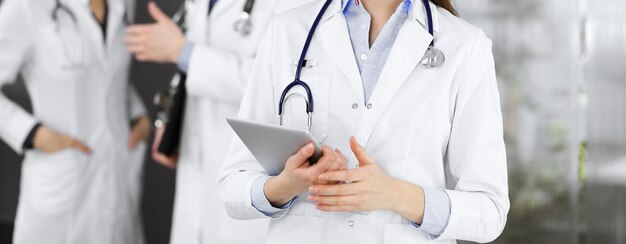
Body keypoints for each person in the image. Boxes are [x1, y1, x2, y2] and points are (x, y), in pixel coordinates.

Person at [219, 0, 510, 243]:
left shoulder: (465, 45)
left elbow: (489, 212)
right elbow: (232, 187)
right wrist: (286, 185)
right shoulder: (287, 31)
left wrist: (393, 194)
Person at [123, 0, 314, 243]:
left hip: (250, 172)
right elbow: (192, 58)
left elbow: (280, 82)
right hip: (196, 163)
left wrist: (184, 53)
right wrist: (172, 120)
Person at [0, 0, 150, 243]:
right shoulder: (26, 7)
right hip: (62, 184)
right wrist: (32, 133)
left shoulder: (123, 4)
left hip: (117, 178)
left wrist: (137, 113)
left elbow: (110, 74)